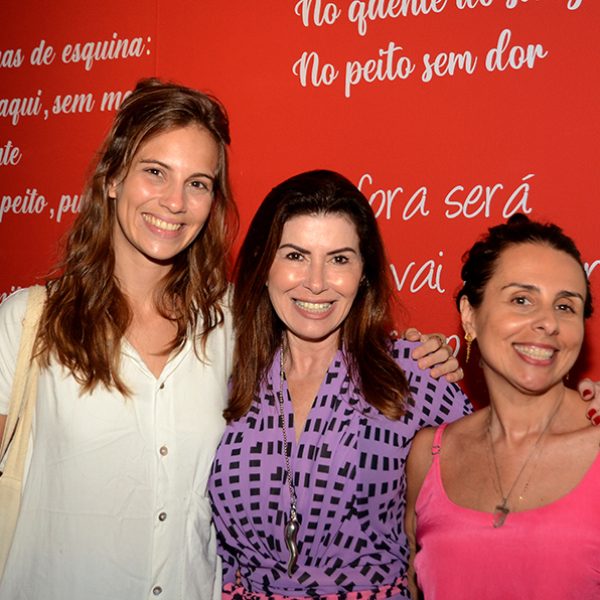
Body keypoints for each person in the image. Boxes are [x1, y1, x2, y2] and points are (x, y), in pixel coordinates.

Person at [0, 81, 460, 600]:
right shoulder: (27, 323)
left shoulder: (228, 326)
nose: (175, 202)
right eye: (155, 172)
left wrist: (426, 358)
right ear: (111, 178)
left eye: (198, 183)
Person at [208, 169, 472, 600]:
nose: (316, 282)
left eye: (339, 259)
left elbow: (499, 500)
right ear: (264, 265)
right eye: (295, 255)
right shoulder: (220, 373)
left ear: (364, 272)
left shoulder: (417, 378)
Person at [405, 214, 600, 599]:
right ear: (469, 316)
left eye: (565, 306)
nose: (547, 322)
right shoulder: (429, 455)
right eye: (522, 299)